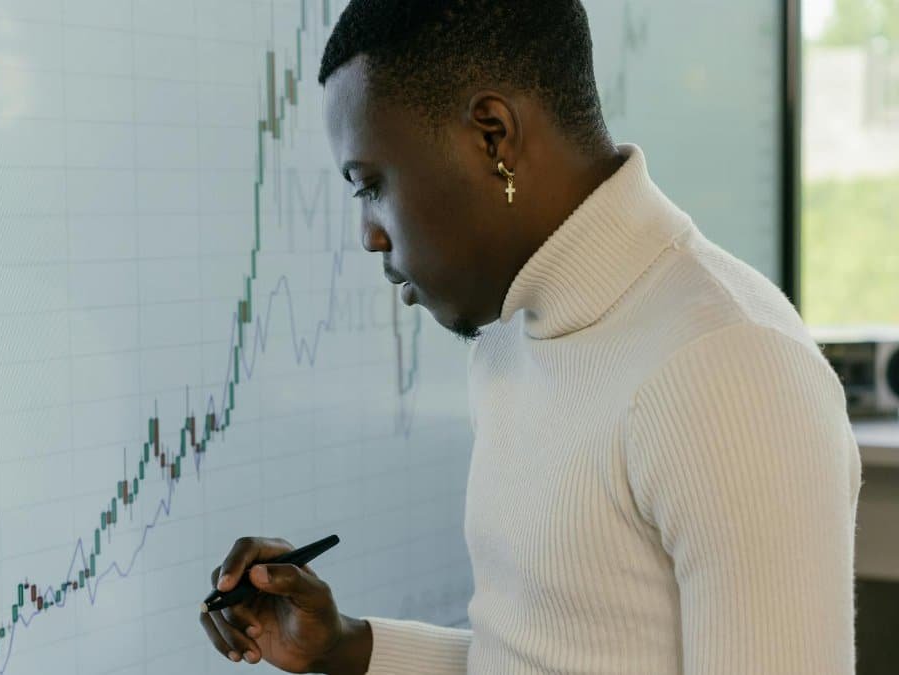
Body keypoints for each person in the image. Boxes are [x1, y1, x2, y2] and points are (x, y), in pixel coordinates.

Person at [198, 1, 863, 673]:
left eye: (371, 185)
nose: (369, 234)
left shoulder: (729, 364)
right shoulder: (513, 337)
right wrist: (344, 645)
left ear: (493, 135)